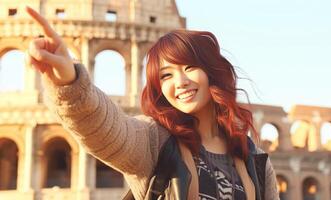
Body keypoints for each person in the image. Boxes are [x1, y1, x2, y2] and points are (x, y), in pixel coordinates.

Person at [25, 6, 279, 200]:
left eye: (189, 67)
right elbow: (103, 128)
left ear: (212, 71)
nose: (179, 82)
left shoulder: (254, 159)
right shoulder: (153, 141)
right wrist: (69, 80)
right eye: (166, 75)